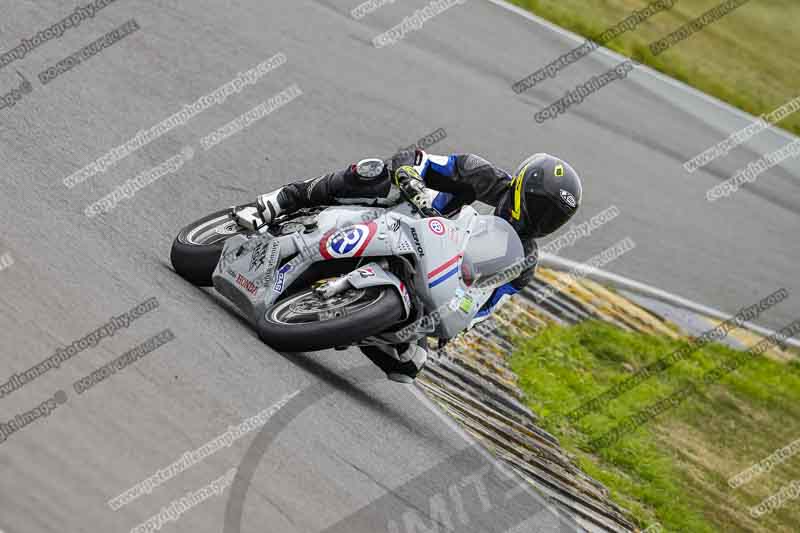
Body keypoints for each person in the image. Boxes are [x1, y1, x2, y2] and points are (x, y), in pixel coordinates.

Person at [253, 150, 582, 383]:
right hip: (404, 218)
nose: (542, 220)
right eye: (540, 207)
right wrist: (411, 178)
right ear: (524, 188)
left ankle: (353, 317)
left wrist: (458, 321)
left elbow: (486, 304)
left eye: (553, 218)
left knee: (408, 365)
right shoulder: (480, 175)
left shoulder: (523, 260)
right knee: (374, 172)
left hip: (433, 279)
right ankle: (287, 198)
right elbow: (418, 160)